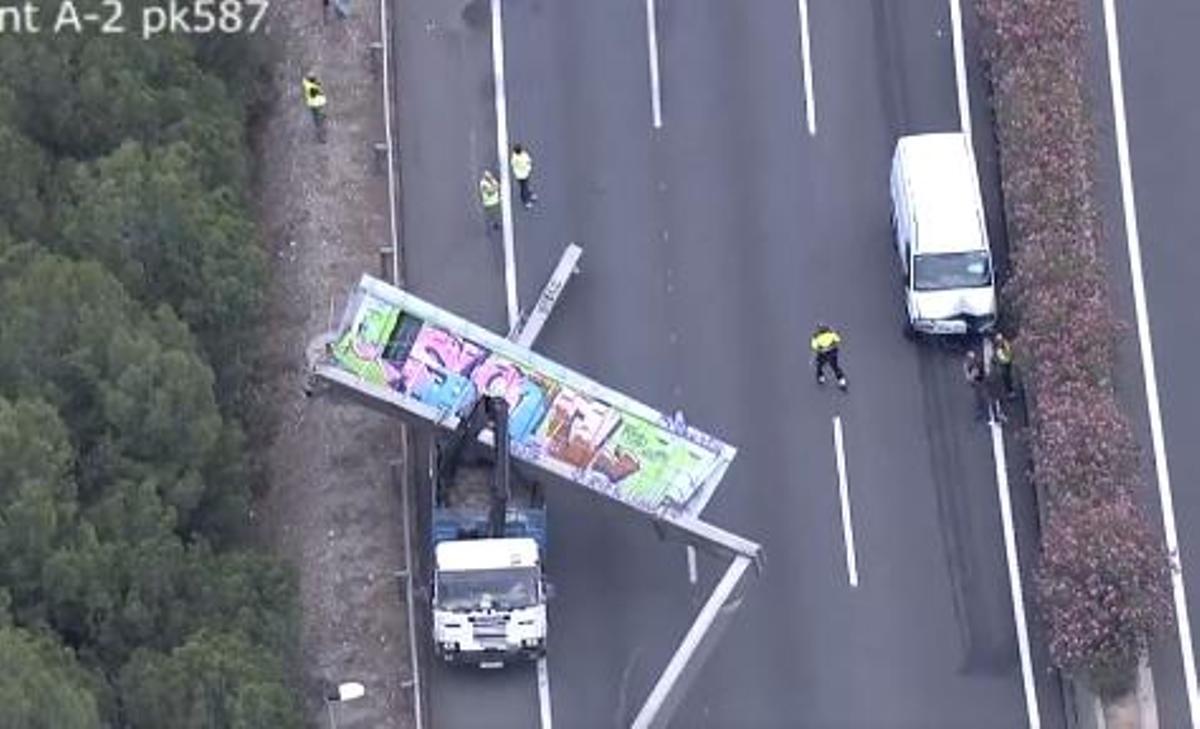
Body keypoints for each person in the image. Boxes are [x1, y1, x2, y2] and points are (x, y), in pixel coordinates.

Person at [810, 323, 847, 391]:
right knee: (835, 367)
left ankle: (821, 378)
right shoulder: (831, 334)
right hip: (832, 353)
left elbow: (814, 346)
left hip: (823, 354)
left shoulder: (816, 337)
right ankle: (842, 381)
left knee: (819, 366)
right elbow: (838, 339)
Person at [963, 350, 992, 422]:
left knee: (985, 397)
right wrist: (970, 380)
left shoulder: (978, 363)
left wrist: (984, 378)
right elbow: (967, 374)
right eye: (969, 358)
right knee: (979, 398)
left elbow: (984, 371)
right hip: (976, 383)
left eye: (971, 358)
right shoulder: (967, 365)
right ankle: (981, 412)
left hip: (981, 381)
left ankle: (988, 414)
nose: (970, 360)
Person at [511, 144, 536, 208]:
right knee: (524, 187)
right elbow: (528, 162)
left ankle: (529, 194)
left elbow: (513, 165)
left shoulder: (515, 157)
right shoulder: (521, 156)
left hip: (521, 175)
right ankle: (526, 201)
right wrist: (528, 168)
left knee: (525, 186)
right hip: (522, 175)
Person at [992, 332, 1015, 397]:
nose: (998, 342)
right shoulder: (998, 346)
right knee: (1005, 376)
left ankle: (1010, 390)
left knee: (1006, 376)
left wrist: (998, 359)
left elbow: (1007, 354)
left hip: (1006, 363)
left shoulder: (1005, 345)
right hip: (1004, 362)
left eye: (999, 340)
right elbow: (997, 353)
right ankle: (1008, 389)